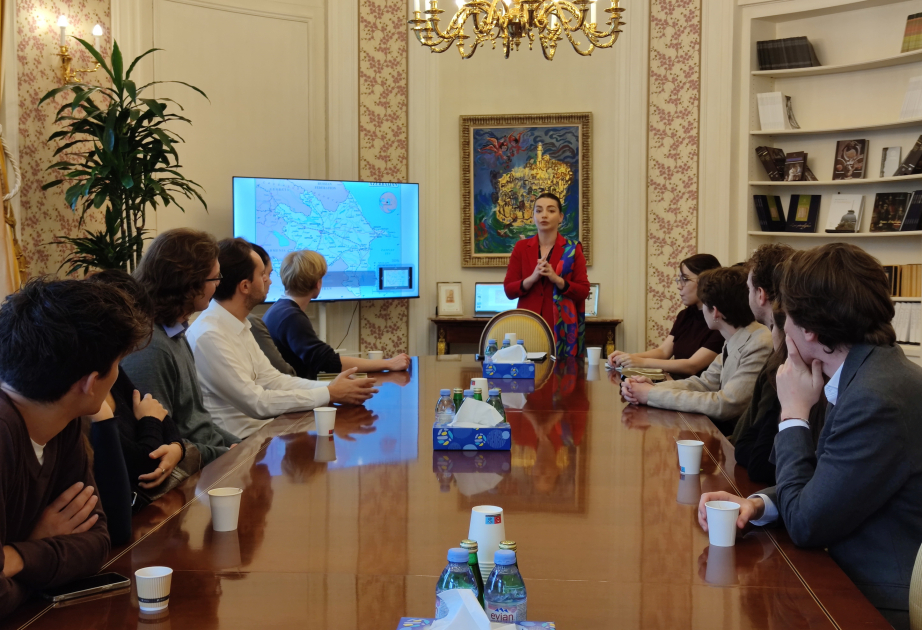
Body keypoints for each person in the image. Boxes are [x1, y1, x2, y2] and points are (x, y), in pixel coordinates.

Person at [698, 243, 922, 630]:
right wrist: (758, 505)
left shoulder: (874, 397)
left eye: (784, 317)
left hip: (869, 600)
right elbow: (824, 480)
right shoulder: (864, 371)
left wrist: (794, 414)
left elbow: (806, 523)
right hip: (836, 573)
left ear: (809, 329)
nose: (780, 329)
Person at [0, 278, 148, 614]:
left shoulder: (62, 422)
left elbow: (96, 542)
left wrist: (19, 556)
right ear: (91, 383)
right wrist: (39, 555)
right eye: (117, 365)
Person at [185, 238, 378, 439]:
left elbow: (273, 380)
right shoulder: (210, 335)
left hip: (265, 433)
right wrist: (330, 392)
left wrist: (333, 387)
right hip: (239, 448)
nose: (269, 280)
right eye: (262, 275)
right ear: (245, 286)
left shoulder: (239, 324)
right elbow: (257, 403)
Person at [122, 228, 241, 466]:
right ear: (188, 283)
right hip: (191, 473)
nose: (218, 285)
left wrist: (244, 445)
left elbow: (197, 422)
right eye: (214, 278)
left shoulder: (174, 331)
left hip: (207, 458)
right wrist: (228, 453)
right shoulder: (151, 347)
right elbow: (165, 440)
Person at [84, 270, 187, 546]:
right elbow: (144, 463)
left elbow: (159, 413)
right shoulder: (89, 390)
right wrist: (150, 423)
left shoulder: (112, 368)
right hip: (128, 527)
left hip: (144, 515)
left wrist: (177, 447)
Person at [621, 266, 772, 436]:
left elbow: (725, 404)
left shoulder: (759, 342)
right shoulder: (735, 337)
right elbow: (704, 384)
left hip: (739, 442)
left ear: (715, 312)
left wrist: (651, 395)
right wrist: (653, 387)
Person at [262, 249, 412, 379]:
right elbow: (328, 362)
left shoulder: (279, 310)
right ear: (317, 283)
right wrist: (388, 363)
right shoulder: (291, 317)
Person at [502, 192, 590, 358]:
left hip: (561, 327)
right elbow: (509, 290)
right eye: (539, 210)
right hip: (527, 324)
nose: (544, 215)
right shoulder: (521, 248)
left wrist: (557, 279)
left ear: (560, 217)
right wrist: (532, 278)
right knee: (528, 378)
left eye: (551, 210)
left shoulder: (572, 248)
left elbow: (583, 291)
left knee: (561, 380)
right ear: (533, 216)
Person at [608, 254, 724, 378]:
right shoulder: (685, 314)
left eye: (685, 279)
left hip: (696, 390)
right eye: (679, 280)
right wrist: (628, 357)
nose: (679, 286)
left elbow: (692, 366)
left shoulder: (719, 319)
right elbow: (663, 351)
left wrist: (641, 362)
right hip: (674, 383)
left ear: (705, 282)